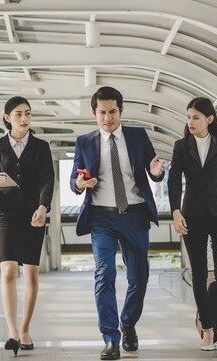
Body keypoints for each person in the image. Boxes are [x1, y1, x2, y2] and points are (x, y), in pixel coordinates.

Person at [70, 86, 165, 360]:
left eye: (112, 111)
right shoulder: (85, 141)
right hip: (102, 216)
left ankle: (128, 323)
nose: (108, 118)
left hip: (135, 215)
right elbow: (74, 179)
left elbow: (153, 167)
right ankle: (110, 337)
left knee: (139, 277)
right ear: (94, 113)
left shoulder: (137, 136)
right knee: (104, 276)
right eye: (102, 112)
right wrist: (79, 183)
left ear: (121, 111)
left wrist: (157, 172)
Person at [167, 97, 217, 357]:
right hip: (193, 215)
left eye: (196, 117)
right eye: (188, 116)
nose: (190, 122)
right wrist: (176, 211)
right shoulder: (181, 146)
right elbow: (174, 182)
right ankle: (208, 329)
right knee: (199, 273)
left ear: (209, 119)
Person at [0, 96, 55, 356]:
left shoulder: (41, 147)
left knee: (32, 274)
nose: (24, 119)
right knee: (8, 272)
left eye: (27, 113)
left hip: (33, 215)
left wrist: (43, 207)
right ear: (7, 118)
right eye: (18, 114)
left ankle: (25, 329)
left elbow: (48, 180)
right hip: (4, 214)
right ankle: (12, 332)